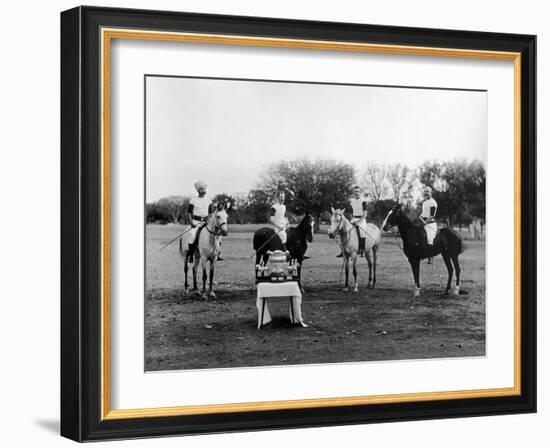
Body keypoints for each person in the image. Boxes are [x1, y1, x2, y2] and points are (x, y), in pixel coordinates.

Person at [186, 180, 223, 262]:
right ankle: (191, 255)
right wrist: (191, 223)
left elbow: (211, 213)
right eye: (201, 189)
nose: (203, 191)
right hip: (196, 222)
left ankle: (218, 253)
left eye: (204, 189)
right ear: (198, 190)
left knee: (218, 235)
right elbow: (188, 213)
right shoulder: (193, 200)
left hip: (207, 222)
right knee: (192, 235)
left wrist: (209, 218)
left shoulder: (209, 200)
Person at [337, 186, 368, 257]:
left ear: (360, 192)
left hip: (362, 219)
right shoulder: (352, 201)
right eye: (355, 191)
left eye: (358, 191)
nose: (356, 193)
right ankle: (343, 250)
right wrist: (351, 220)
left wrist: (358, 222)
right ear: (353, 192)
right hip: (353, 218)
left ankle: (362, 250)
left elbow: (365, 214)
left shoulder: (363, 201)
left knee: (362, 232)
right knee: (343, 230)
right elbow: (351, 212)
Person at [420, 186, 438, 263]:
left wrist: (425, 222)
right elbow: (423, 214)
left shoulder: (433, 203)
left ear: (431, 193)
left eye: (428, 191)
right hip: (423, 223)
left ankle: (431, 257)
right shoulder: (424, 202)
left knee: (429, 239)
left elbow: (431, 216)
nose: (426, 193)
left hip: (430, 225)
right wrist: (420, 217)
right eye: (425, 191)